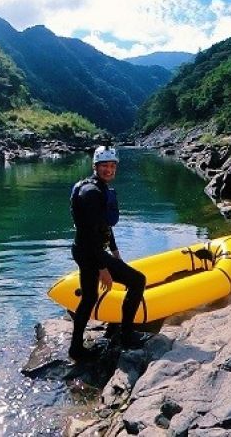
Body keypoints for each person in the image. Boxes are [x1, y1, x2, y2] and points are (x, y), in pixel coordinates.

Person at [68, 145, 146, 359]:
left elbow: (103, 226)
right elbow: (89, 232)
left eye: (112, 166)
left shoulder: (97, 188)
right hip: (89, 250)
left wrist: (115, 252)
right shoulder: (92, 193)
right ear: (95, 166)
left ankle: (76, 348)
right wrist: (103, 267)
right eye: (104, 166)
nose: (109, 170)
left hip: (85, 250)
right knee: (138, 281)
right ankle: (126, 335)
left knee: (90, 297)